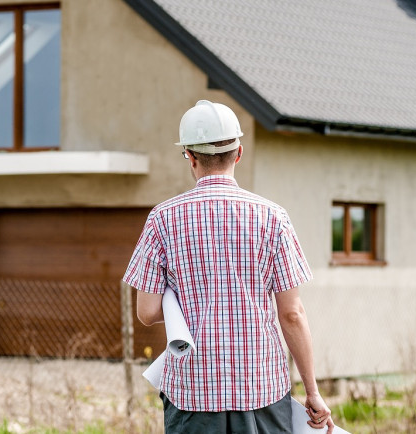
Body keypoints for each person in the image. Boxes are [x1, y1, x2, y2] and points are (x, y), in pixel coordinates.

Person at [123, 100, 334, 433]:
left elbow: (147, 312)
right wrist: (313, 391)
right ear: (238, 153)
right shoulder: (273, 218)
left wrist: (191, 300)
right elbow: (292, 314)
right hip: (263, 390)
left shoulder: (161, 219)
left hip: (193, 394)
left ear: (190, 157)